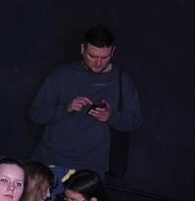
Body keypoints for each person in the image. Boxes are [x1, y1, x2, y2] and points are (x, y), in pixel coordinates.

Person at [28, 26, 142, 177]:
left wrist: (111, 116)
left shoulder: (123, 80)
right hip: (53, 162)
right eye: (92, 56)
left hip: (92, 168)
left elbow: (135, 121)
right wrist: (66, 108)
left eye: (105, 58)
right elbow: (36, 114)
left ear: (113, 51)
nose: (98, 63)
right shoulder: (62, 74)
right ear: (82, 49)